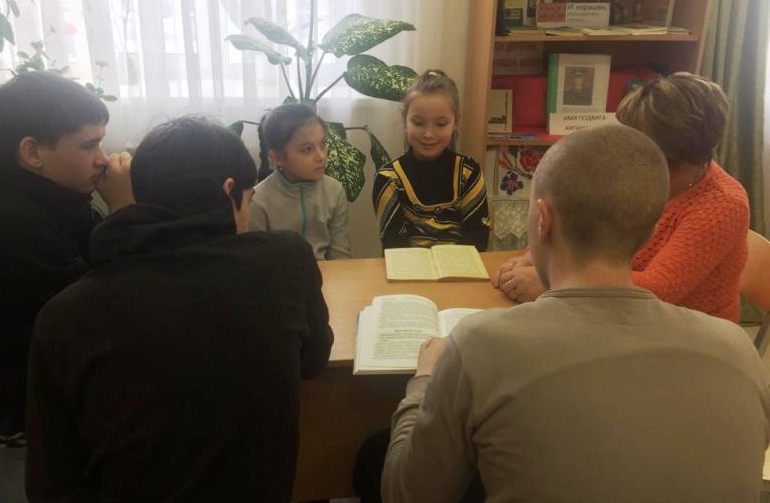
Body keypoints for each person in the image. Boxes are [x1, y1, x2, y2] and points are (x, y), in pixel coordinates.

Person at [382, 124, 770, 503]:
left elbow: (407, 502)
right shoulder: (738, 350)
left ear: (543, 220)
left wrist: (423, 381)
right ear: (650, 232)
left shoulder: (478, 344)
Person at [26, 117, 333, 503]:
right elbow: (313, 361)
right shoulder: (285, 260)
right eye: (248, 199)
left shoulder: (65, 314)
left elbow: (50, 483)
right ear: (228, 191)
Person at [0, 71, 133, 472]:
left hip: (53, 383)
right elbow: (106, 306)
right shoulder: (4, 222)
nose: (102, 159)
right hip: (13, 420)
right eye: (89, 145)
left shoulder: (57, 199)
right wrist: (126, 213)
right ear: (33, 152)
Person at [494, 73, 749, 323]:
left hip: (683, 332)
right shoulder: (637, 172)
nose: (625, 148)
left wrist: (558, 282)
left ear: (670, 155)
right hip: (614, 311)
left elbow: (658, 290)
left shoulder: (722, 206)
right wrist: (537, 255)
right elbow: (575, 222)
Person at [373, 69, 490, 251]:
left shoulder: (469, 173)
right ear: (405, 121)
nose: (428, 134)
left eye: (441, 124)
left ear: (456, 122)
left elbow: (477, 241)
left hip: (460, 267)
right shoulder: (388, 178)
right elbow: (394, 246)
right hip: (407, 268)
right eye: (418, 123)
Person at [250, 103, 351, 260]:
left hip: (328, 273)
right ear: (278, 157)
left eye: (323, 144)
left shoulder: (334, 191)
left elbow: (340, 256)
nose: (321, 156)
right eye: (306, 149)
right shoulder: (258, 201)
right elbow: (257, 262)